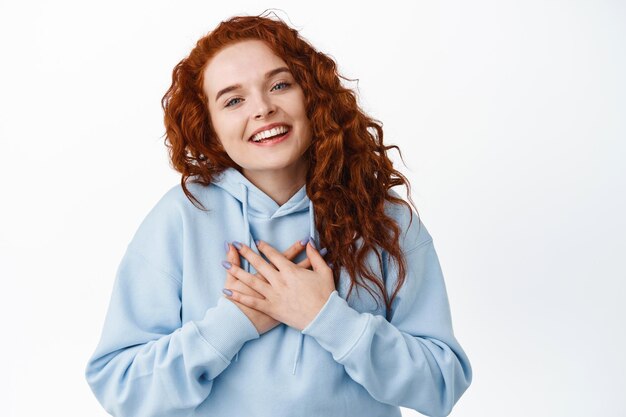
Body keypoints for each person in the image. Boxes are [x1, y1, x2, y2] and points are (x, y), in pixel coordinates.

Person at [85, 12, 473, 417]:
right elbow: (120, 386)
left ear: (312, 95)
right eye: (234, 100)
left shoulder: (385, 218)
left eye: (280, 85)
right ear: (209, 126)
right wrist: (235, 322)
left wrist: (327, 318)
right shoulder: (180, 219)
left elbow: (441, 386)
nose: (263, 109)